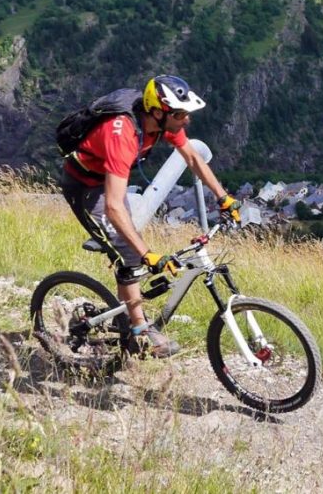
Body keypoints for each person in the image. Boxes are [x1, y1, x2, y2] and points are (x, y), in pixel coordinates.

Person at [60, 74, 240, 357]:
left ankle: (126, 317)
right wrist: (148, 254)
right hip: (85, 189)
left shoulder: (161, 121)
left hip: (108, 184)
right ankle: (140, 332)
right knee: (130, 254)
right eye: (179, 114)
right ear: (157, 112)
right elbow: (113, 207)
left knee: (131, 251)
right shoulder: (122, 134)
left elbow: (192, 157)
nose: (186, 120)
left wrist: (223, 197)